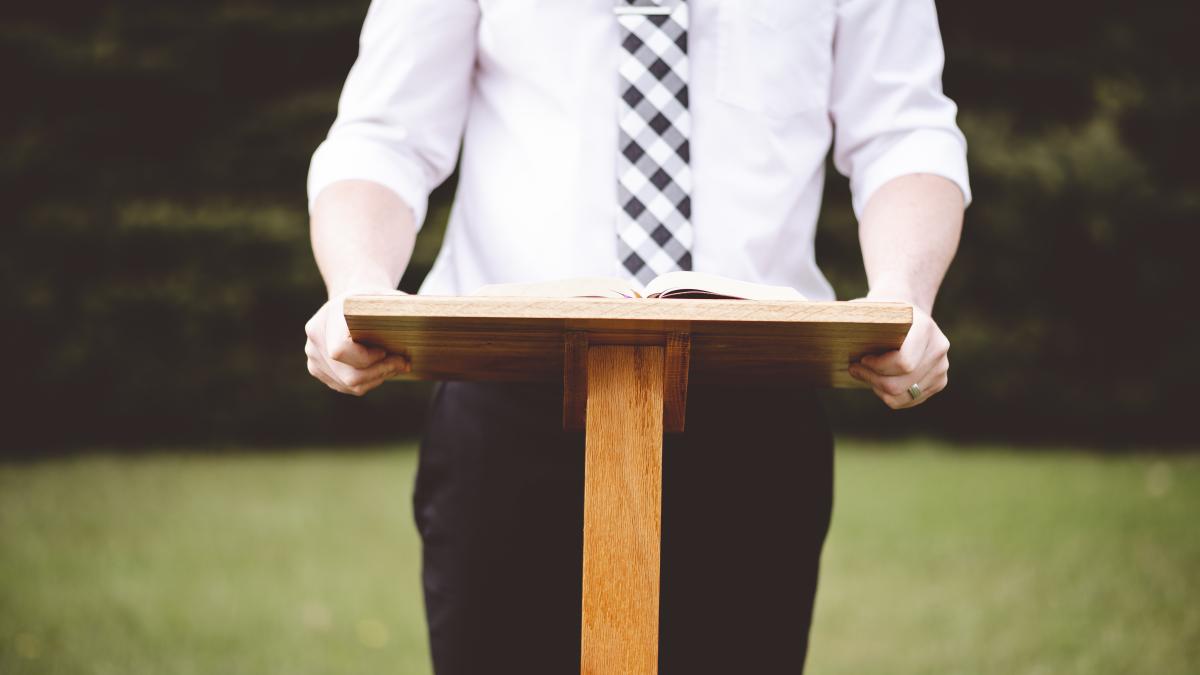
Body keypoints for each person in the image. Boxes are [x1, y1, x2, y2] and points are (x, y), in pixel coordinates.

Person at [303, 0, 967, 672]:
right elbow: (387, 135)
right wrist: (356, 285)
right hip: (504, 400)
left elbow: (902, 130)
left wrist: (903, 298)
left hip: (756, 406)